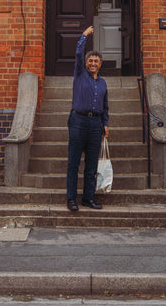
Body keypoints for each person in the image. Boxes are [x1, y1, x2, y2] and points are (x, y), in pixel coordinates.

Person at [66, 26, 109, 212]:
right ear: (85, 63)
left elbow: (105, 106)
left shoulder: (103, 83)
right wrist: (84, 36)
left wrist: (105, 124)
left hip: (95, 124)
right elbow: (78, 54)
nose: (93, 63)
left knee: (92, 164)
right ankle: (71, 199)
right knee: (74, 162)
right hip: (78, 121)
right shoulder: (79, 74)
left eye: (96, 61)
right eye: (90, 60)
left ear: (100, 64)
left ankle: (88, 198)